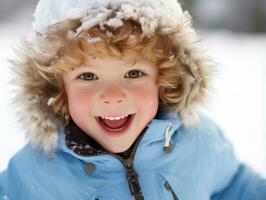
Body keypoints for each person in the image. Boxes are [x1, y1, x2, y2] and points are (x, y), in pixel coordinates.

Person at [0, 0, 266, 199]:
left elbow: (235, 187)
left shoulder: (198, 141)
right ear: (56, 90)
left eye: (134, 73)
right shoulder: (34, 172)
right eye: (88, 76)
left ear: (164, 80)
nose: (113, 96)